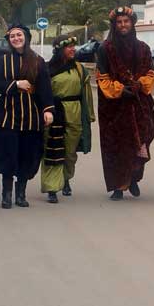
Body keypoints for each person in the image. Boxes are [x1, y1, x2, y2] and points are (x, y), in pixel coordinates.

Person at [95, 6, 154, 201]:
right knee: (116, 146)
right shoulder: (105, 49)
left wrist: (139, 85)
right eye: (119, 22)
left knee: (141, 141)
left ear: (132, 24)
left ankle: (133, 178)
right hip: (114, 107)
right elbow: (102, 77)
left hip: (139, 104)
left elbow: (150, 74)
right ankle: (118, 186)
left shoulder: (144, 48)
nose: (123, 25)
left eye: (126, 21)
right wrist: (120, 89)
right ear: (115, 25)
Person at [0, 24, 54, 209]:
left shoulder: (38, 61)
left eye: (19, 35)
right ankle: (6, 195)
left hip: (31, 116)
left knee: (27, 155)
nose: (16, 38)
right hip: (8, 116)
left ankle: (21, 195)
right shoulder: (3, 61)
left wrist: (48, 109)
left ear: (26, 37)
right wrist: (16, 84)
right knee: (8, 155)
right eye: (12, 36)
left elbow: (45, 89)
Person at [40, 35, 95, 204]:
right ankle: (51, 187)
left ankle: (65, 179)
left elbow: (86, 94)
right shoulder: (47, 69)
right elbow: (42, 94)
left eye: (74, 46)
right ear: (59, 49)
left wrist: (89, 115)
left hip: (74, 112)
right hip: (55, 113)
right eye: (69, 47)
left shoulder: (79, 68)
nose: (73, 49)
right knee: (52, 151)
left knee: (70, 153)